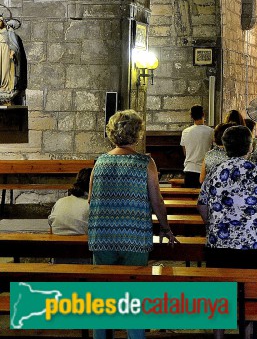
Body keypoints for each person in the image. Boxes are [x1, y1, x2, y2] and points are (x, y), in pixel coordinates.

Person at [88, 110, 176, 339]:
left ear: (111, 133)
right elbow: (157, 200)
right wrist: (165, 228)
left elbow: (90, 199)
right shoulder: (145, 163)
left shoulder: (100, 162)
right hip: (134, 236)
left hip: (102, 236)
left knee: (103, 294)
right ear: (137, 134)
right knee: (133, 293)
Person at [197, 125, 257, 338]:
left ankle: (218, 334)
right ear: (250, 147)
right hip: (251, 243)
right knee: (250, 293)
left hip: (218, 243)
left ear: (225, 146)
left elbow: (201, 204)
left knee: (219, 293)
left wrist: (211, 224)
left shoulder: (216, 170)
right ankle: (246, 335)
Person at [49, 167, 91, 236]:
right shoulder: (92, 205)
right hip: (82, 242)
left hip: (55, 242)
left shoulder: (60, 202)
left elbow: (51, 229)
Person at [180, 105, 213, 188]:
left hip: (189, 169)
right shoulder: (211, 131)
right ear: (203, 114)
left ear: (191, 116)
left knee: (189, 195)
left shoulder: (185, 132)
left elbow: (185, 152)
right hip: (204, 170)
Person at [0, 16, 25, 104]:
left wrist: (13, 51)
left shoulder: (9, 31)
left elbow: (14, 44)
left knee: (5, 70)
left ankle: (5, 87)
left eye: (0, 21)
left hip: (5, 52)